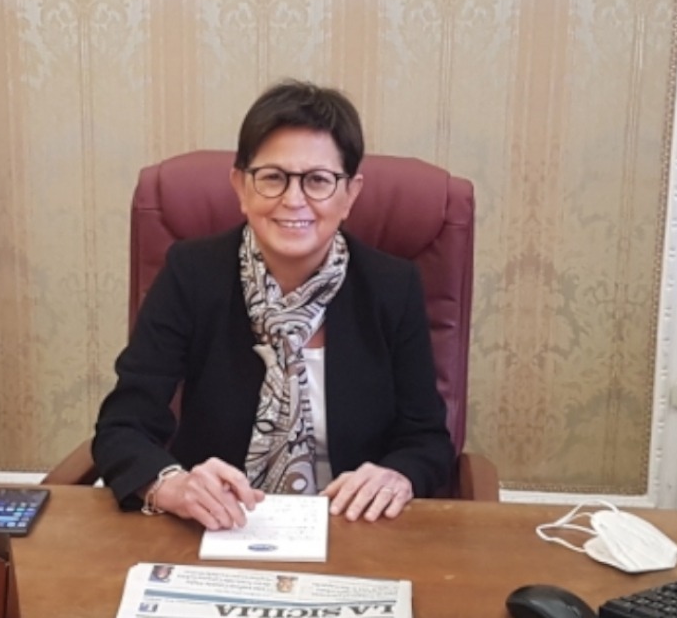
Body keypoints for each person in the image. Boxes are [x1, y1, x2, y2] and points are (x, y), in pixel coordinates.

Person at [93, 80, 454, 530]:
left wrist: (398, 475)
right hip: (217, 526)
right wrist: (172, 485)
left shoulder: (391, 287)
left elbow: (427, 439)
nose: (293, 200)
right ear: (241, 187)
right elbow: (123, 425)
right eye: (272, 177)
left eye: (318, 180)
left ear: (350, 194)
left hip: (353, 530)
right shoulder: (192, 274)